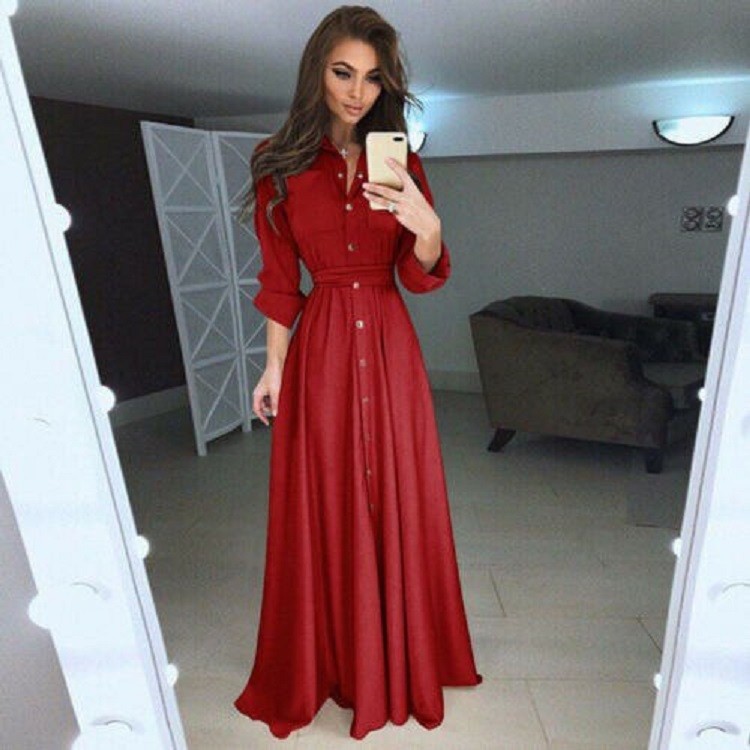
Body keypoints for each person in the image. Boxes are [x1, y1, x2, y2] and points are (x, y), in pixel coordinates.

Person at [233, 5, 481, 741]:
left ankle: (401, 651)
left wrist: (429, 229)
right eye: (343, 72)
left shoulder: (402, 162)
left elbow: (419, 274)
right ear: (317, 70)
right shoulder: (276, 162)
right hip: (322, 345)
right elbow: (280, 281)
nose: (356, 91)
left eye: (373, 78)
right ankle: (337, 657)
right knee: (328, 496)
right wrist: (273, 367)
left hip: (391, 341)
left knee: (401, 493)